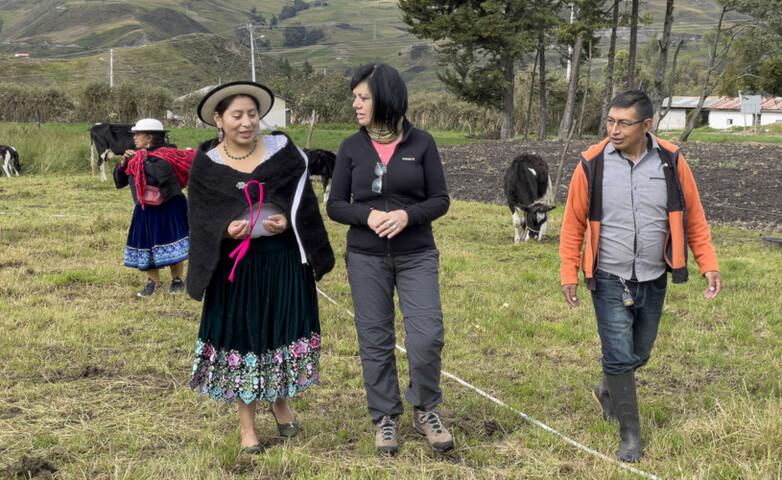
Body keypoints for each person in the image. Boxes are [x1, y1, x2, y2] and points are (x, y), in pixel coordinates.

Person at [559, 90, 722, 463]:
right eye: (610, 121)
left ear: (646, 125)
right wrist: (569, 270)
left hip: (653, 276)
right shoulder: (592, 163)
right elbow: (573, 224)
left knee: (639, 353)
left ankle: (608, 387)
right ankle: (630, 434)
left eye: (623, 123)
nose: (613, 130)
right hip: (608, 276)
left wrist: (707, 264)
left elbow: (694, 218)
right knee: (618, 355)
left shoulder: (671, 160)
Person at [186, 81, 334, 454]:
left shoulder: (284, 153)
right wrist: (225, 229)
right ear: (219, 119)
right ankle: (247, 427)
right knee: (245, 336)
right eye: (236, 115)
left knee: (280, 330)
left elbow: (303, 201)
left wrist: (287, 220)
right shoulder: (208, 166)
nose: (246, 122)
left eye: (252, 114)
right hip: (236, 269)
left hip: (281, 260)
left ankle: (280, 403)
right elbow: (201, 218)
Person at [326, 64, 452, 455]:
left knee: (427, 336)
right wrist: (367, 215)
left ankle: (425, 408)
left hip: (416, 254)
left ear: (387, 98)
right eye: (354, 98)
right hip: (365, 257)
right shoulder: (350, 147)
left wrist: (406, 215)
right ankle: (384, 416)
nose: (356, 104)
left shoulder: (423, 143)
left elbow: (440, 200)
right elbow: (334, 205)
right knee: (375, 340)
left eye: (363, 97)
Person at [114, 118, 192, 298]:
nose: (134, 138)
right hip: (144, 208)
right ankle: (153, 282)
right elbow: (120, 182)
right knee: (146, 243)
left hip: (169, 206)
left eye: (137, 134)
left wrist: (142, 160)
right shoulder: (135, 157)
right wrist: (124, 164)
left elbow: (164, 177)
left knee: (172, 241)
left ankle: (177, 280)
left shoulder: (168, 154)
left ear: (149, 137)